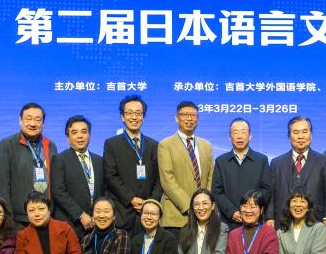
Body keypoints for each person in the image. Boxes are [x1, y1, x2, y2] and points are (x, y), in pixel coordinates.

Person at [103, 95, 161, 233]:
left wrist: (150, 203)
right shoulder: (112, 144)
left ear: (143, 117)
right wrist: (131, 199)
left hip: (148, 215)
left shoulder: (154, 145)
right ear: (122, 117)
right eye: (129, 113)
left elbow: (160, 179)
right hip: (122, 213)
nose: (134, 117)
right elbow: (111, 176)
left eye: (138, 113)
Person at [0, 103, 59, 226]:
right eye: (28, 119)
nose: (33, 123)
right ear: (20, 120)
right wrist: (8, 217)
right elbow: (2, 185)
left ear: (43, 123)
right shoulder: (8, 144)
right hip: (19, 219)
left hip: (47, 216)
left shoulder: (50, 145)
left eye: (37, 119)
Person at [158, 101, 214, 236]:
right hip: (176, 216)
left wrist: (204, 204)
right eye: (185, 115)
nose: (189, 119)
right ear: (176, 118)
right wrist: (190, 207)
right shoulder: (165, 145)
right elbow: (167, 180)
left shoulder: (206, 145)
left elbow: (210, 177)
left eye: (193, 115)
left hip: (203, 215)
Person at [269, 116, 326, 224]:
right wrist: (269, 217)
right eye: (295, 132)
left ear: (311, 134)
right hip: (282, 222)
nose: (300, 136)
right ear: (289, 136)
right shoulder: (276, 163)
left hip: (315, 221)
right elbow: (271, 194)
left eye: (304, 132)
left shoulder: (323, 162)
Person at [50, 115, 107, 239]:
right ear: (68, 137)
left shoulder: (99, 160)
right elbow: (59, 192)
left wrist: (99, 215)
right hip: (70, 225)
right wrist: (81, 215)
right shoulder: (59, 159)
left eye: (84, 131)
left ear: (89, 135)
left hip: (95, 225)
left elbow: (104, 191)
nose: (80, 136)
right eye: (74, 132)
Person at [211, 118, 271, 225]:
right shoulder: (221, 161)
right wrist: (232, 212)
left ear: (250, 136)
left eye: (243, 132)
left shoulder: (261, 160)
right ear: (230, 138)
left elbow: (266, 189)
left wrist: (251, 209)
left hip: (255, 221)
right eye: (235, 133)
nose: (239, 136)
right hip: (228, 222)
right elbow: (217, 192)